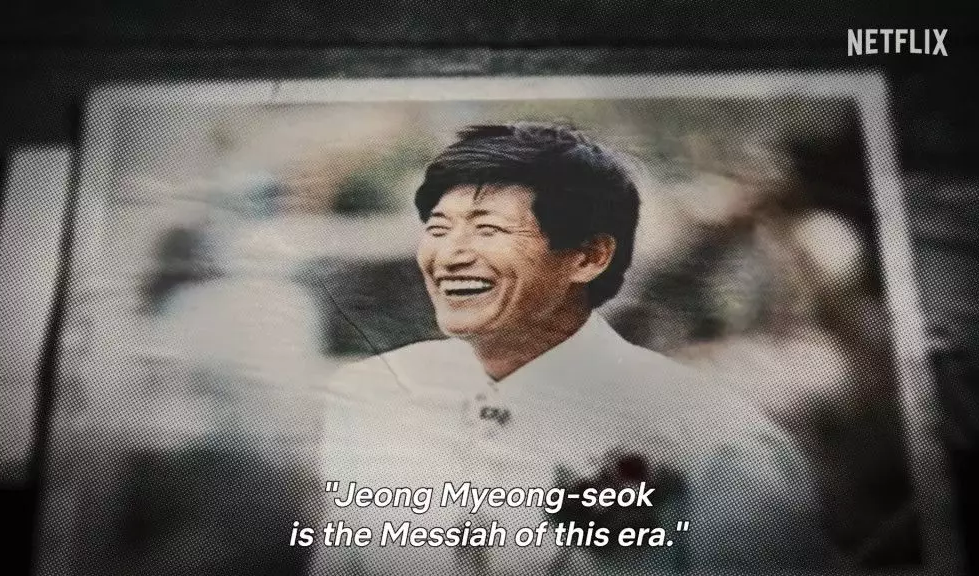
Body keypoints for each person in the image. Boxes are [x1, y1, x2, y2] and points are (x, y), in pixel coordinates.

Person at [313, 123, 837, 575]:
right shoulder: (380, 424)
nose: (454, 258)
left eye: (493, 231)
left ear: (588, 257)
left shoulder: (717, 444)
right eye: (440, 230)